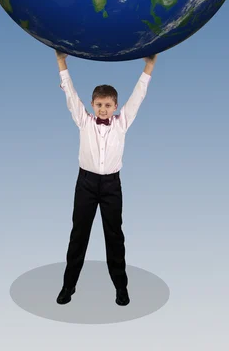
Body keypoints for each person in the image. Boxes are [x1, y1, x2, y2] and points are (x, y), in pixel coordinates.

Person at [54, 49, 158, 306]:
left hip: (112, 185)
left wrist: (149, 68)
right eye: (98, 105)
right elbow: (71, 96)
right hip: (86, 184)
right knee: (79, 234)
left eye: (108, 105)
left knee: (114, 236)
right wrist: (61, 62)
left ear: (115, 106)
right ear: (92, 105)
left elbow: (138, 97)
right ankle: (68, 286)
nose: (102, 109)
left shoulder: (122, 123)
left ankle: (121, 288)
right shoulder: (84, 122)